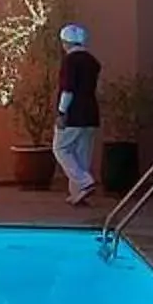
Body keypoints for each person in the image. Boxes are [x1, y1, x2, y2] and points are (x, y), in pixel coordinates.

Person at [52, 23, 102, 206]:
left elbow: (68, 89)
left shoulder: (70, 61)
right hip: (91, 112)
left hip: (74, 113)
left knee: (61, 148)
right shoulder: (92, 61)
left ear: (66, 42)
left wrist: (61, 112)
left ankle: (83, 182)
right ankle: (78, 193)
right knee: (82, 154)